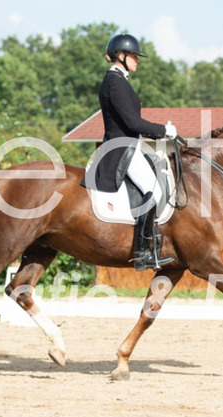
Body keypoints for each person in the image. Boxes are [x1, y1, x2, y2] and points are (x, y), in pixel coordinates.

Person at [88, 33, 176, 271]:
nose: (137, 60)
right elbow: (132, 122)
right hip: (122, 149)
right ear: (121, 56)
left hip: (131, 146)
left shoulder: (119, 80)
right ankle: (141, 252)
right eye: (134, 56)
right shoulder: (115, 82)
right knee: (154, 191)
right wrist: (164, 130)